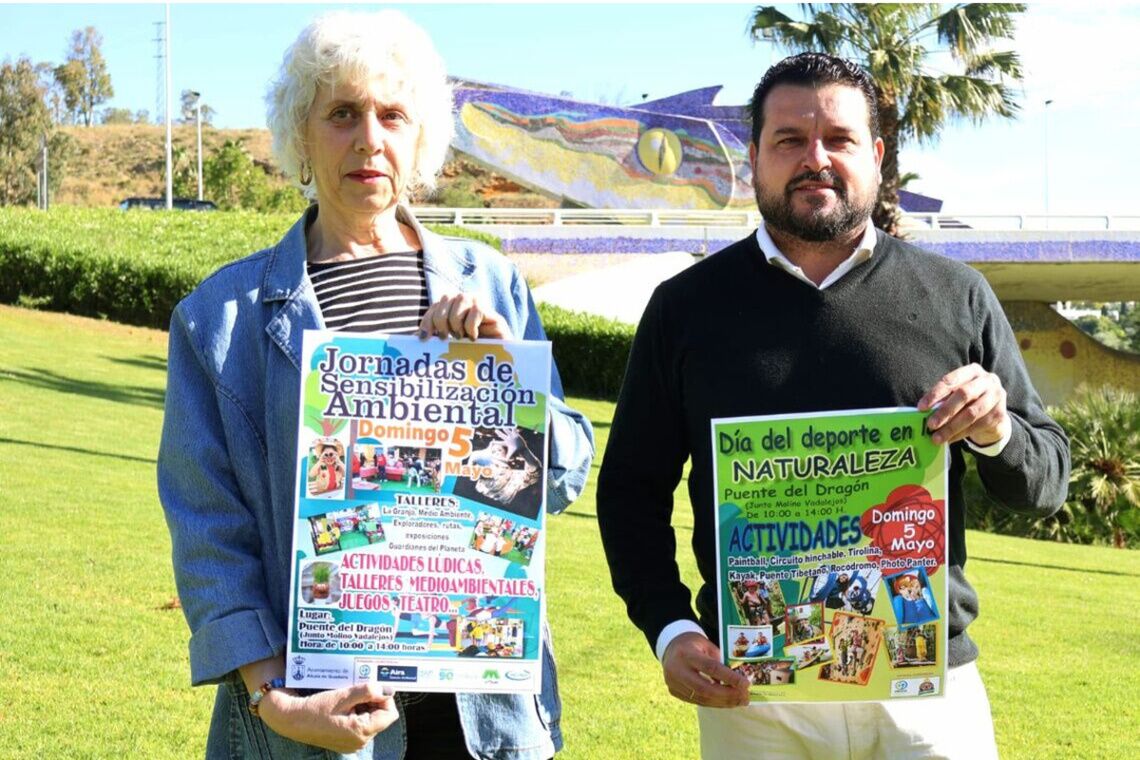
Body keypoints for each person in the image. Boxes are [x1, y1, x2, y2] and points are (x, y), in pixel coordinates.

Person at [595, 52, 1069, 759]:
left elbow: (1046, 482)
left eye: (839, 140)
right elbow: (632, 490)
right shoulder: (685, 309)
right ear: (754, 157)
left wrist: (998, 430)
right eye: (789, 140)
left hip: (925, 687)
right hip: (756, 694)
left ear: (876, 158)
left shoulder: (957, 295)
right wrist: (668, 626)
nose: (815, 159)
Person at [157, 10, 594, 759]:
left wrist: (500, 381)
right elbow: (209, 533)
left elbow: (557, 477)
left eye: (392, 115)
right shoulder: (217, 319)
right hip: (313, 724)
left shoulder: (490, 283)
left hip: (481, 721)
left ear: (419, 135)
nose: (369, 138)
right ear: (300, 134)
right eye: (341, 114)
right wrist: (276, 699)